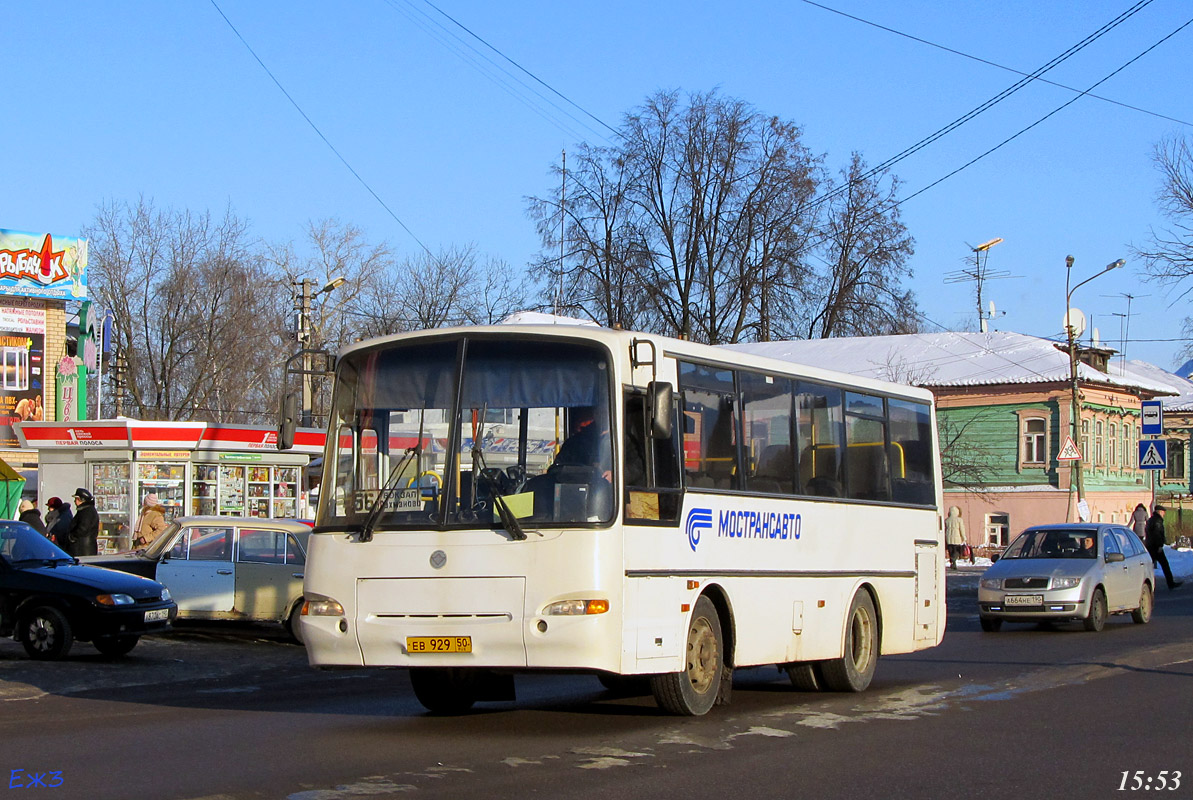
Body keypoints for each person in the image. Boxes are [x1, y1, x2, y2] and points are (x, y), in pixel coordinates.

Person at [1145, 505, 1182, 591]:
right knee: (1165, 565)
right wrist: (1159, 545)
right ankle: (1171, 583)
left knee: (1149, 566)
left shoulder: (1151, 520)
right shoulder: (1157, 521)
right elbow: (1157, 534)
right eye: (1163, 512)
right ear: (1160, 511)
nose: (1164, 514)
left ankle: (1150, 584)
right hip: (1156, 547)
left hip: (1150, 546)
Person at [65, 487, 99, 557]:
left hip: (83, 548)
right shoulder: (85, 510)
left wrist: (72, 536)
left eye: (76, 499)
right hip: (84, 547)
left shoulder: (87, 511)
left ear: (82, 500)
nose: (75, 501)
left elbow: (83, 528)